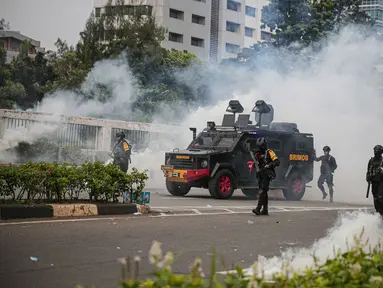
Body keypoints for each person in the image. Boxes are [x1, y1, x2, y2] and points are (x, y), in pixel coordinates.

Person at [251, 137, 280, 216]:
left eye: (261, 146)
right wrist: (253, 164)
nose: (260, 148)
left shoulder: (270, 152)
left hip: (268, 173)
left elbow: (277, 162)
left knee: (262, 190)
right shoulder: (257, 154)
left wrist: (269, 165)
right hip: (261, 174)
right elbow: (256, 164)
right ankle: (265, 210)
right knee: (263, 191)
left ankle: (258, 208)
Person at [366, 145, 383, 214]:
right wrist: (368, 178)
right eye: (375, 151)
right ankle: (378, 212)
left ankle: (381, 212)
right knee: (375, 198)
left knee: (380, 198)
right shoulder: (371, 161)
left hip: (381, 182)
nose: (375, 152)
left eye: (377, 151)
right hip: (374, 182)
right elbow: (368, 171)